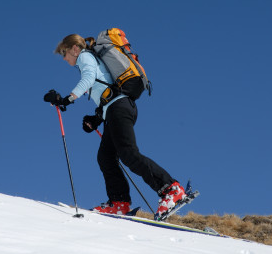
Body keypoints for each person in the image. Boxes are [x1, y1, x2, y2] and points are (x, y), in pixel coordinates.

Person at [44, 33, 186, 216]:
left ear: (74, 48)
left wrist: (67, 99)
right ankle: (119, 202)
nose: (64, 58)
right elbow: (106, 90)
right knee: (106, 157)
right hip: (114, 109)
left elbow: (88, 79)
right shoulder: (90, 59)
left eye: (64, 53)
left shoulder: (85, 57)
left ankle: (171, 190)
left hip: (119, 107)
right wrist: (96, 118)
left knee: (128, 153)